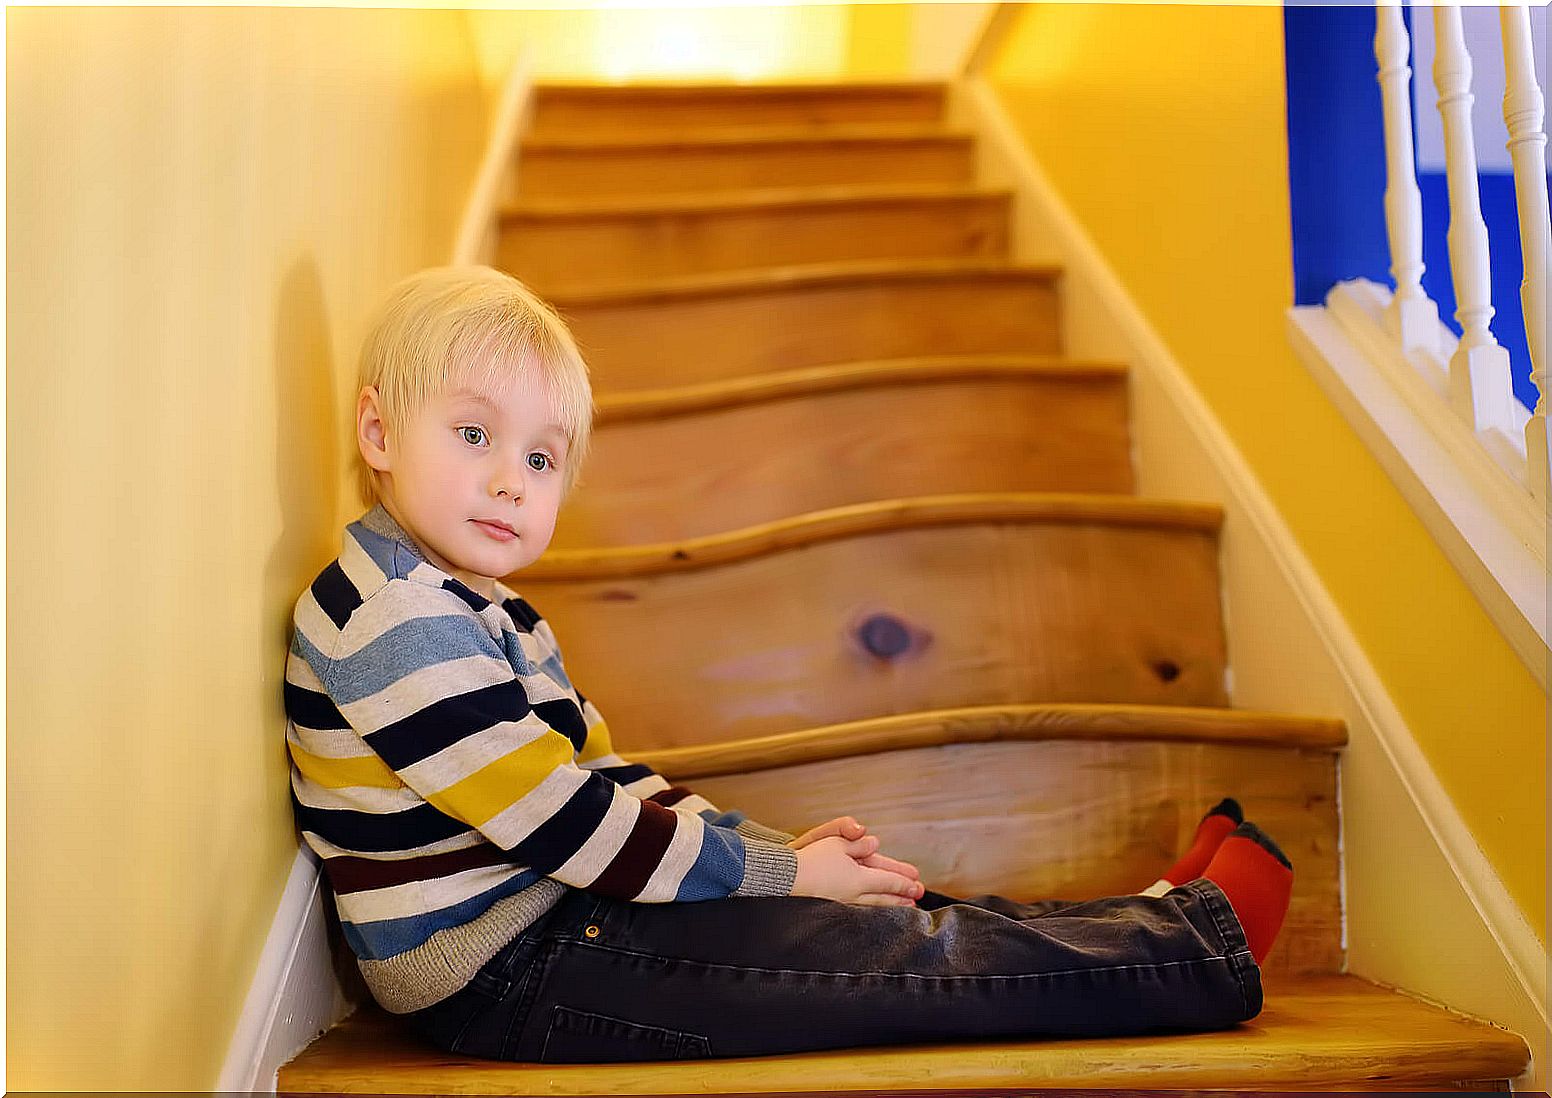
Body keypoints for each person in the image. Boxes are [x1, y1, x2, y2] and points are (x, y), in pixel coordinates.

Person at [283, 265, 1295, 1065]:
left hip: (559, 920)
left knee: (871, 907)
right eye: (473, 435)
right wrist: (779, 875)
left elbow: (604, 783)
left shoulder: (485, 608)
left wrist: (777, 859)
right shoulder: (391, 618)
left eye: (542, 459)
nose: (511, 481)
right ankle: (1191, 950)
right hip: (506, 974)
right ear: (377, 429)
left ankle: (1141, 926)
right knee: (866, 961)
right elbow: (566, 824)